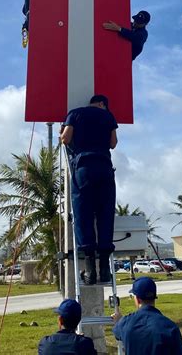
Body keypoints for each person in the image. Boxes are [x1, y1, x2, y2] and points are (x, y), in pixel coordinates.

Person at [60, 95, 118, 285]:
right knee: (105, 214)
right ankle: (105, 270)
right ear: (102, 104)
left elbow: (66, 138)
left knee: (82, 214)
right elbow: (113, 143)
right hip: (105, 168)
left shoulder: (74, 114)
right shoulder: (108, 117)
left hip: (83, 168)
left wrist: (63, 134)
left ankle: (90, 271)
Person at [112, 277, 182, 354]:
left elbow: (117, 332)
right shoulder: (170, 327)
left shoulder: (125, 323)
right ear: (154, 297)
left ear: (137, 299)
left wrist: (119, 320)